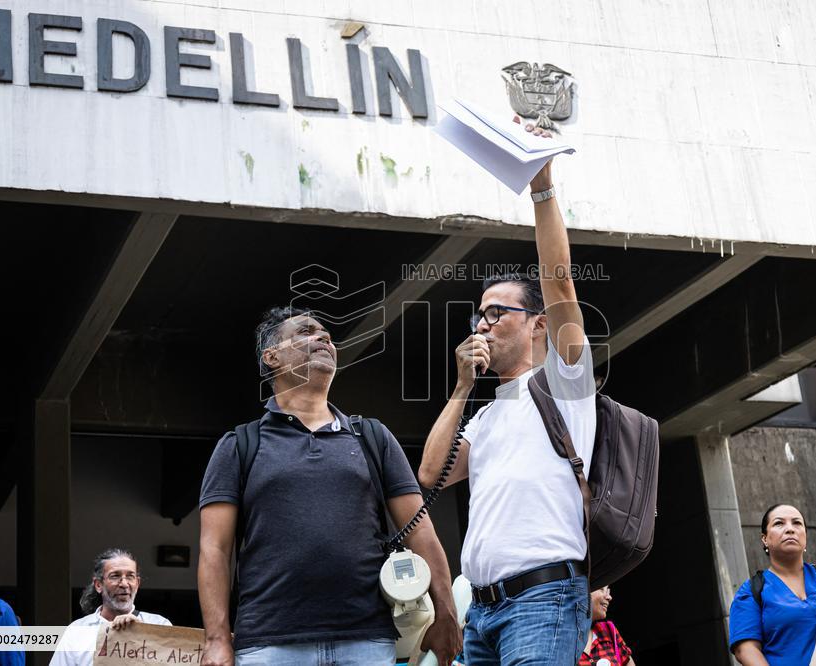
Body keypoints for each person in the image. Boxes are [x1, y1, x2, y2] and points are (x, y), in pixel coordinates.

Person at [419, 121, 596, 664]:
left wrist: (542, 187)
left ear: (539, 326)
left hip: (543, 599)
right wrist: (461, 387)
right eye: (480, 314)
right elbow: (431, 475)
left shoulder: (564, 381)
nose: (483, 323)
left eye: (498, 312)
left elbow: (559, 282)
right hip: (484, 612)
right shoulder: (488, 414)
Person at [198, 307, 461, 666]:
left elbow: (421, 531)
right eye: (306, 332)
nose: (323, 338)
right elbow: (214, 548)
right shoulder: (240, 444)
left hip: (367, 640)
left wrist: (445, 613)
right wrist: (216, 638)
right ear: (271, 356)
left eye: (327, 335)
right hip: (269, 645)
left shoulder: (372, 436)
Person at [729, 504, 816, 666]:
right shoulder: (752, 591)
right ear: (765, 539)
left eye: (797, 523)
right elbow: (745, 649)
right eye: (779, 523)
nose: (790, 529)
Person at [50, 548, 170, 666]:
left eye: (130, 576)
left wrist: (141, 632)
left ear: (137, 584)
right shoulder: (76, 631)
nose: (124, 584)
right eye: (115, 576)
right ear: (98, 585)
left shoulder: (160, 625)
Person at [579, 586, 635, 666]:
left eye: (608, 591)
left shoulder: (608, 630)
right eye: (602, 589)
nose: (609, 597)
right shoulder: (558, 637)